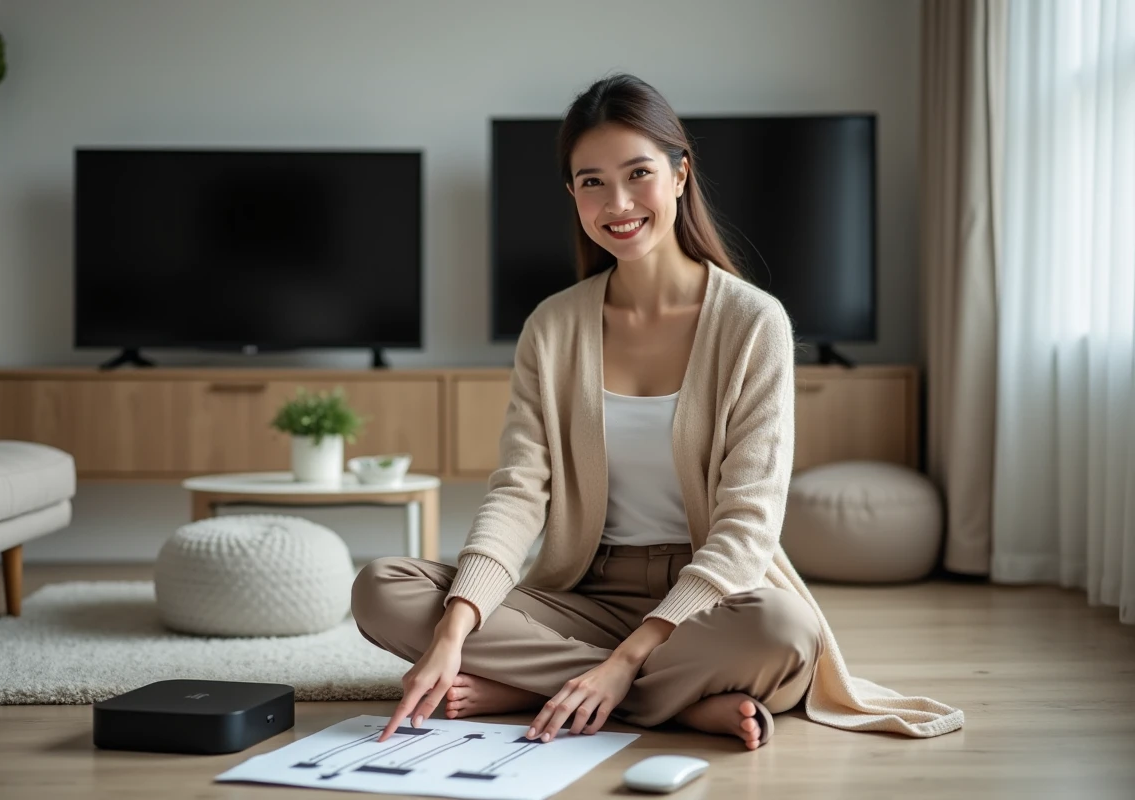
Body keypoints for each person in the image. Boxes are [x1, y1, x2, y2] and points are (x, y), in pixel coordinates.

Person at [352, 74, 963, 750]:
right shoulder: (552, 327)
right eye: (591, 182)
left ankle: (556, 689)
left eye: (638, 173)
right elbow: (518, 493)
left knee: (784, 630)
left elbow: (747, 527)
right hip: (581, 594)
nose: (617, 202)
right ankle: (674, 704)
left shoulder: (753, 323)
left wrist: (625, 660)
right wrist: (451, 634)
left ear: (679, 174)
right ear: (572, 194)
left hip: (711, 598)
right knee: (384, 587)